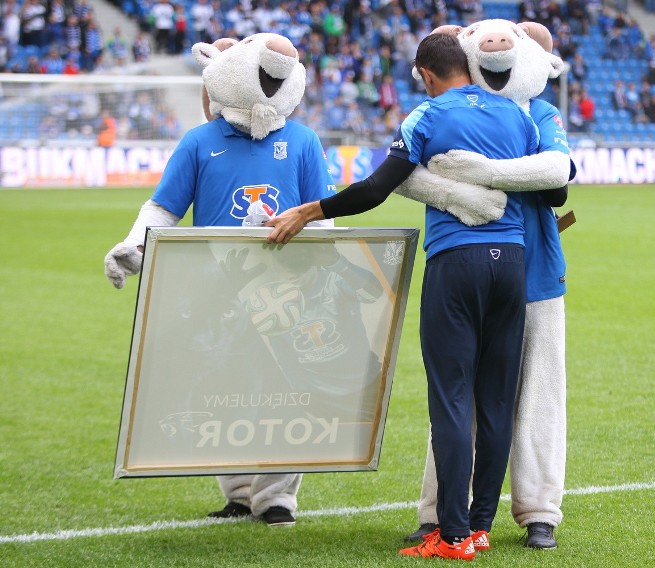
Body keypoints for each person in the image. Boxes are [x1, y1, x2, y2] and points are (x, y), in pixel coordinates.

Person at [266, 33, 564, 560]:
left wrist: (309, 210)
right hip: (514, 266)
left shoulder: (428, 116)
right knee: (496, 399)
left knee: (452, 399)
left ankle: (450, 535)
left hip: (458, 265)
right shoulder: (517, 115)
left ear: (425, 74)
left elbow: (376, 189)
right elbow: (555, 190)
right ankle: (479, 526)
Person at [104, 33, 336, 528]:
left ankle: (276, 497)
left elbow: (323, 214)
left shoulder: (303, 141)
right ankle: (236, 490)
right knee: (221, 384)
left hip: (282, 290)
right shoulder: (199, 142)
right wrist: (136, 245)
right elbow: (163, 207)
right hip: (213, 288)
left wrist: (319, 257)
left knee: (281, 388)